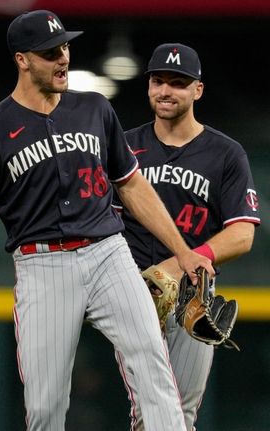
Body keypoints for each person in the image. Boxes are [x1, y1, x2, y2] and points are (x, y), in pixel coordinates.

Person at [0, 11, 214, 431]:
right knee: (46, 405)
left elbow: (133, 186)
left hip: (108, 252)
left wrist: (184, 251)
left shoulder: (93, 107)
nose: (63, 58)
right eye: (51, 53)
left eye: (65, 47)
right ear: (22, 60)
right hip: (43, 265)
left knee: (152, 363)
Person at [113, 43, 261, 430]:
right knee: (151, 411)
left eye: (178, 83)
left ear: (198, 90)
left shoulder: (226, 154)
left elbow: (243, 233)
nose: (166, 90)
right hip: (135, 294)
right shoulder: (123, 147)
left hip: (192, 296)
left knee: (182, 415)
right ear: (147, 85)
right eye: (158, 80)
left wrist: (182, 262)